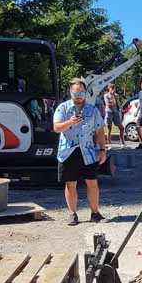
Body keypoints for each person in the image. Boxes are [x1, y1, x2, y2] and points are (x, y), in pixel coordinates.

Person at [53, 78, 107, 226]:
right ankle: (72, 214)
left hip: (88, 152)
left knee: (92, 183)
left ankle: (95, 213)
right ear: (70, 92)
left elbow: (100, 131)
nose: (78, 95)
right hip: (68, 152)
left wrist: (102, 150)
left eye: (81, 92)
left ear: (85, 93)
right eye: (75, 92)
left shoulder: (92, 110)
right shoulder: (63, 108)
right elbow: (56, 127)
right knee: (70, 184)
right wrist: (69, 122)